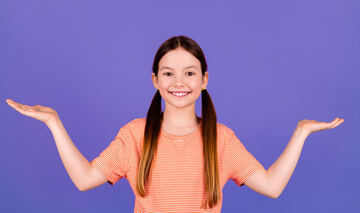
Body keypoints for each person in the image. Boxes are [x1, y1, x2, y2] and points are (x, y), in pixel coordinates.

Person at [6, 35, 344, 212]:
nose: (178, 81)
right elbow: (83, 180)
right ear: (155, 80)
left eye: (189, 73)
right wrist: (54, 123)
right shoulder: (134, 135)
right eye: (168, 73)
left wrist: (301, 132)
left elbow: (271, 187)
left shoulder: (221, 140)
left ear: (204, 80)